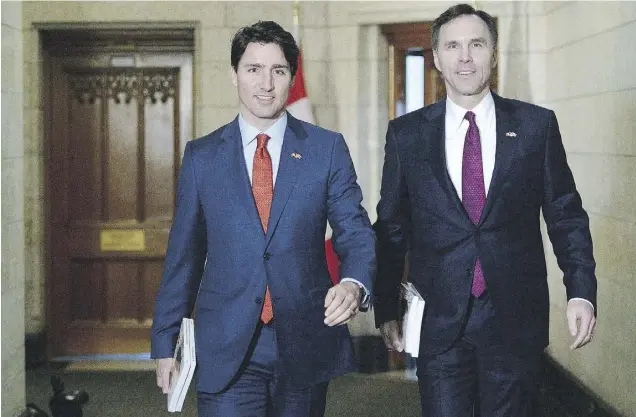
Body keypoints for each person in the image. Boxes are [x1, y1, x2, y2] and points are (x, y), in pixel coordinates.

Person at [373, 4, 597, 416]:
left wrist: (581, 291)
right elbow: (392, 226)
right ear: (436, 57)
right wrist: (386, 307)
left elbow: (565, 216)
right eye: (453, 46)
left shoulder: (535, 126)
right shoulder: (406, 135)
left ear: (493, 54)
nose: (465, 57)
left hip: (513, 318)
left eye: (477, 44)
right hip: (440, 321)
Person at [151, 21, 376, 417]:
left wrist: (354, 283)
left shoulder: (326, 149)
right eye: (253, 69)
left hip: (303, 338)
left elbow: (355, 230)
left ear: (291, 78)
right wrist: (166, 341)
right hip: (225, 342)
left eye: (279, 70)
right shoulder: (202, 157)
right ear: (234, 75)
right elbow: (183, 255)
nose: (266, 83)